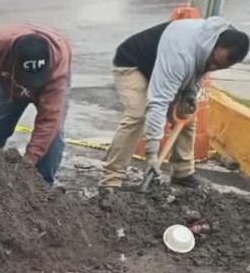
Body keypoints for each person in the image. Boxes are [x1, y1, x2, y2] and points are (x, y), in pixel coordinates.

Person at [99, 18, 249, 191]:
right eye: (212, 61)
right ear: (212, 44)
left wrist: (191, 93)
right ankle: (111, 177)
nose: (212, 67)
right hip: (134, 65)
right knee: (137, 115)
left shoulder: (214, 47)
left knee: (186, 113)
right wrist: (152, 154)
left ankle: (182, 172)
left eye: (218, 67)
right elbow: (158, 102)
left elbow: (199, 69)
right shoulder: (180, 54)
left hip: (165, 66)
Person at [0, 24, 72, 185]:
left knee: (51, 139)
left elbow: (49, 122)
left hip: (49, 85)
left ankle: (43, 187)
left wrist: (27, 164)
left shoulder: (57, 68)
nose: (28, 87)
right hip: (9, 84)